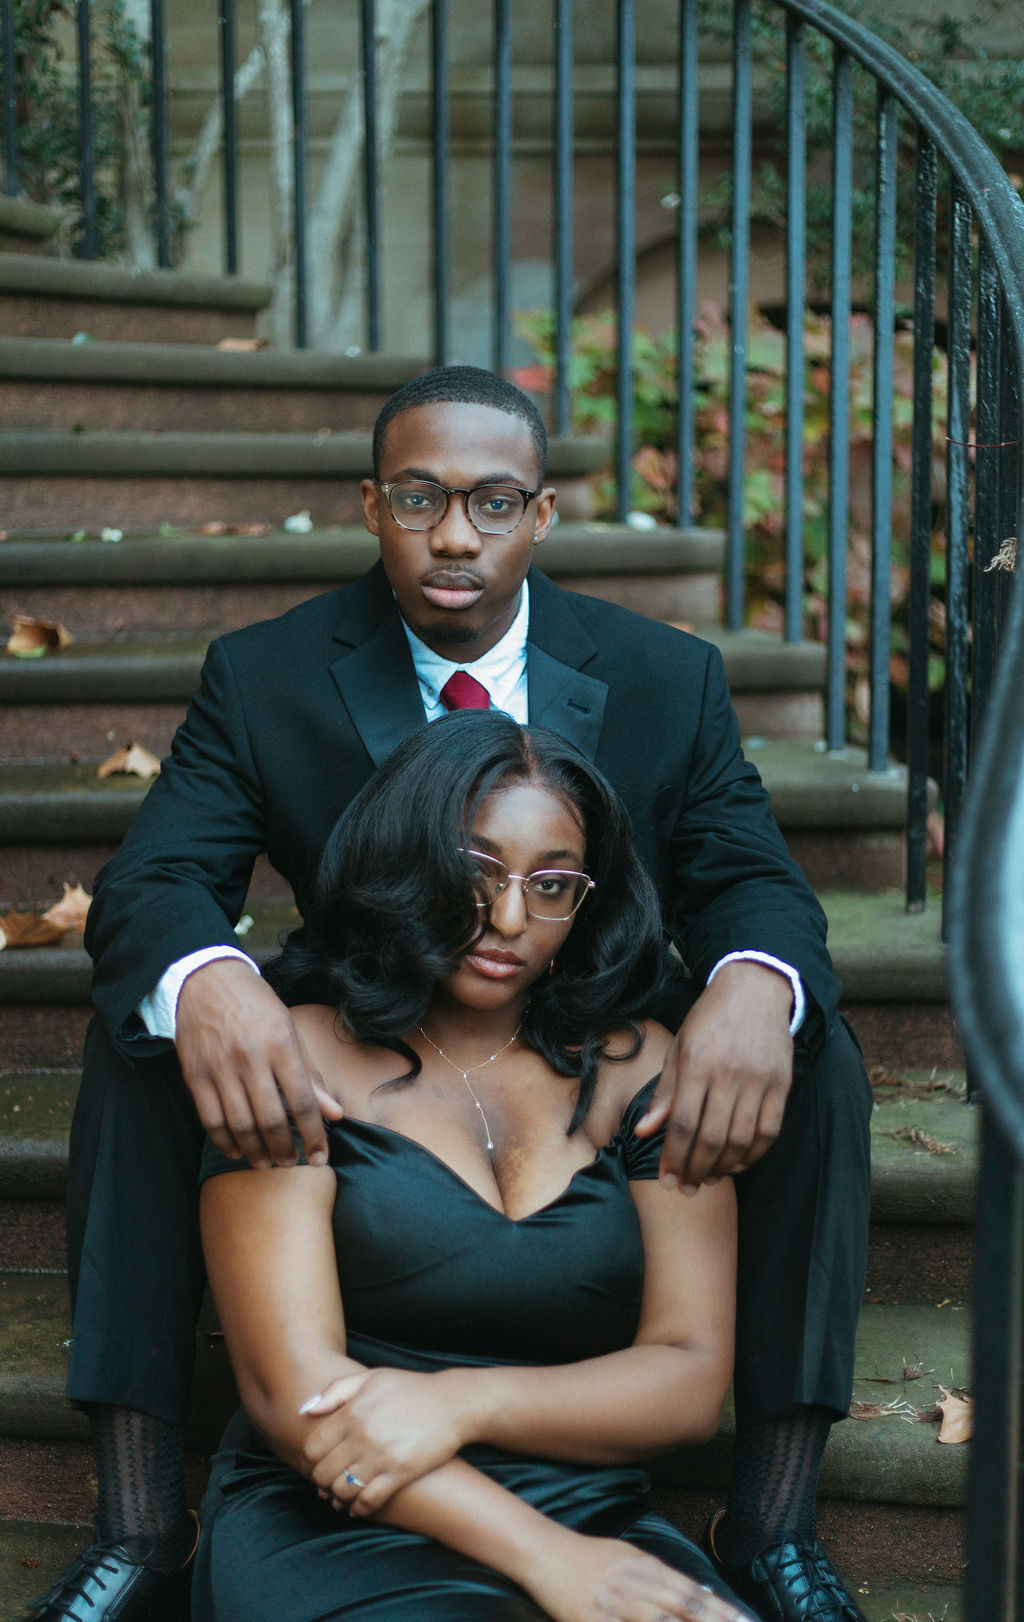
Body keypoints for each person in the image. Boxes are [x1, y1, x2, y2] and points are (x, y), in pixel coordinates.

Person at [26, 366, 871, 1622]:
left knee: (812, 1044)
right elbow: (155, 879)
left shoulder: (664, 673)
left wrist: (754, 980)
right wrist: (212, 980)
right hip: (366, 1010)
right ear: (374, 505)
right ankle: (142, 1523)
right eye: (421, 497)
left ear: (540, 513)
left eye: (492, 501)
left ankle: (774, 1519)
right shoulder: (266, 672)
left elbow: (749, 873)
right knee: (151, 1030)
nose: (456, 534)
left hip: (590, 1003)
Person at [191, 710, 755, 1622]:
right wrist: (554, 1562)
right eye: (477, 871)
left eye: (552, 884)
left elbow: (689, 1377)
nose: (510, 919)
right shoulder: (294, 1058)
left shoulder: (643, 1067)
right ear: (406, 858)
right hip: (341, 1513)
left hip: (589, 1510)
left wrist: (464, 1403)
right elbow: (290, 1393)